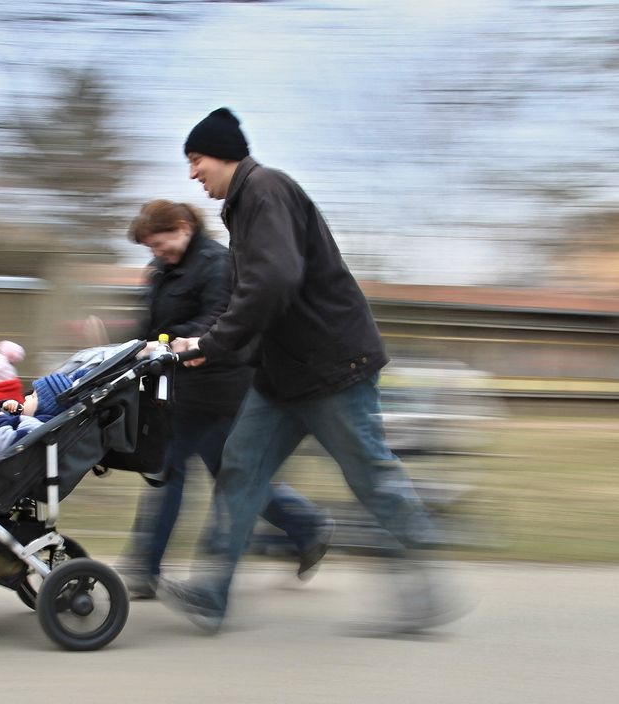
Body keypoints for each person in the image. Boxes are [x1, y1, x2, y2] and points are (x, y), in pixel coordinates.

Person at [162, 107, 466, 635]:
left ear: (224, 154)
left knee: (370, 477)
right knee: (240, 469)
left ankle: (425, 577)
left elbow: (274, 281)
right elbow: (248, 297)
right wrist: (206, 342)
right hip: (282, 376)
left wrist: (218, 341)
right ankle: (212, 595)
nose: (192, 174)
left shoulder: (266, 191)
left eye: (196, 160)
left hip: (331, 368)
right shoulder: (244, 207)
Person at [116, 200, 332, 599]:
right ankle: (306, 527)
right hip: (178, 389)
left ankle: (146, 568)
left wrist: (174, 343)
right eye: (151, 248)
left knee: (200, 475)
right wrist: (131, 348)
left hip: (220, 390)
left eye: (160, 244)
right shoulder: (163, 270)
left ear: (183, 226)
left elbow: (218, 320)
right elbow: (149, 324)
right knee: (202, 474)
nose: (156, 253)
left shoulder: (217, 264)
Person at [0, 372, 74, 464]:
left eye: (33, 396)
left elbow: (2, 445)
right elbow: (13, 429)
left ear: (43, 408)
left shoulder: (35, 427)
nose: (26, 397)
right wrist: (6, 411)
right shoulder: (31, 421)